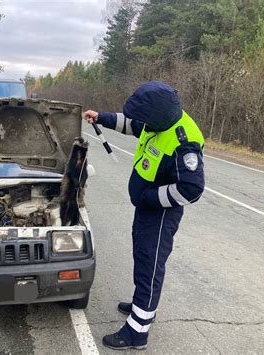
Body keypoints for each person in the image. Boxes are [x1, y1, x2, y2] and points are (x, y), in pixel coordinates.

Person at [84, 81, 205, 350]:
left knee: (150, 265)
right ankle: (142, 306)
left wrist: (150, 199)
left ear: (157, 116)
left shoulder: (184, 143)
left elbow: (192, 190)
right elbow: (132, 125)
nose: (140, 122)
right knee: (142, 257)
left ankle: (137, 332)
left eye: (144, 118)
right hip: (148, 210)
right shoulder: (158, 121)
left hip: (160, 214)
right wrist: (101, 117)